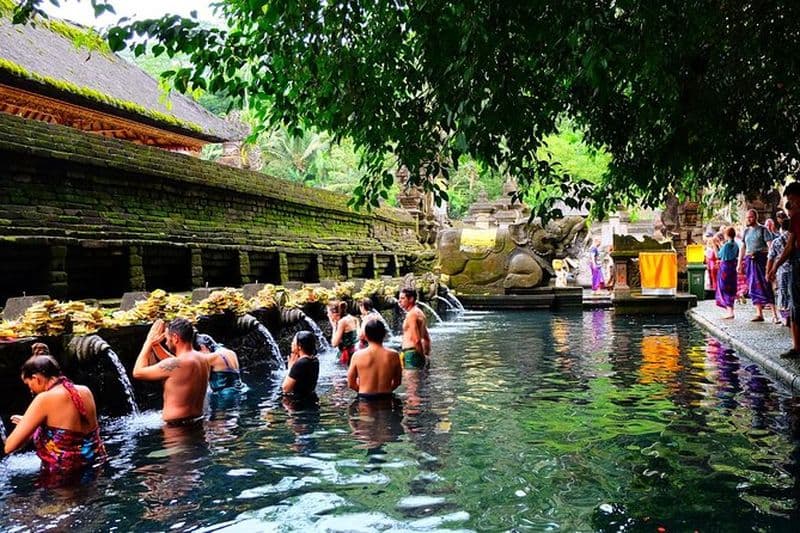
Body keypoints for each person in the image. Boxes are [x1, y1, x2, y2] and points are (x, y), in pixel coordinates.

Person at [3, 349, 107, 476]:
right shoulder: (85, 391)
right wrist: (33, 423)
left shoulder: (44, 399)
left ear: (36, 379)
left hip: (65, 473)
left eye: (29, 385)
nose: (31, 390)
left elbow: (10, 446)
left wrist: (27, 425)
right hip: (95, 464)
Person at [133, 318, 210, 425]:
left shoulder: (176, 364)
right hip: (198, 421)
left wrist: (148, 342)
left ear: (175, 338)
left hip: (177, 428)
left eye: (167, 338)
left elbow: (137, 372)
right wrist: (155, 345)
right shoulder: (203, 358)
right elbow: (174, 364)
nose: (166, 342)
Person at [767, 182, 800, 358]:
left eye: (792, 200)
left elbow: (789, 248)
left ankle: (796, 347)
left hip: (798, 262)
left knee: (795, 304)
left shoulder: (796, 219)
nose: (791, 204)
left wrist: (775, 266)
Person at [347, 318, 402, 399]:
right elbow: (397, 382)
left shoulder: (357, 356)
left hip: (365, 397)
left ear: (365, 336)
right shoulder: (394, 355)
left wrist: (363, 391)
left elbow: (351, 384)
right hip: (386, 397)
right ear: (384, 334)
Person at [737, 209, 776, 321]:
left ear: (756, 217)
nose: (749, 219)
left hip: (761, 261)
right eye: (747, 217)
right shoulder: (746, 231)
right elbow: (743, 248)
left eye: (751, 217)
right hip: (750, 261)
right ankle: (759, 313)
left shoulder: (763, 230)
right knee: (753, 286)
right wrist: (739, 263)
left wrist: (769, 260)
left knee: (765, 285)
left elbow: (770, 247)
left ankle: (774, 314)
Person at [398, 287, 431, 369]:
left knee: (412, 381)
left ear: (411, 299)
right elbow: (426, 338)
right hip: (414, 353)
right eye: (399, 298)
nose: (399, 301)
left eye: (402, 298)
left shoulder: (412, 315)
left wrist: (422, 358)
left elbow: (416, 340)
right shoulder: (419, 312)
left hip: (412, 354)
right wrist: (426, 354)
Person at [767, 218, 792, 325]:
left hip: (781, 272)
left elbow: (771, 258)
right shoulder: (795, 239)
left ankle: (786, 318)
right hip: (794, 270)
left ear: (781, 228)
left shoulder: (776, 241)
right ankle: (794, 316)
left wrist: (768, 272)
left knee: (782, 293)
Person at [282, 331, 319, 397]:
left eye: (293, 342)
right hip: (310, 397)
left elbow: (286, 389)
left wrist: (290, 368)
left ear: (299, 346)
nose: (292, 343)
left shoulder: (300, 364)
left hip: (298, 402)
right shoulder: (315, 360)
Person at [716, 226, 739, 320]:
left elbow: (719, 255)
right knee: (731, 288)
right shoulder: (736, 244)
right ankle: (731, 310)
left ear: (726, 235)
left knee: (724, 288)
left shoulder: (726, 245)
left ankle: (729, 311)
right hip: (733, 267)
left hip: (725, 268)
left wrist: (715, 245)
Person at [328, 300, 359, 366]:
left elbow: (334, 343)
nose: (327, 315)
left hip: (347, 355)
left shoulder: (342, 322)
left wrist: (334, 327)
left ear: (334, 313)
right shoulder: (350, 317)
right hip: (354, 351)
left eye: (328, 313)